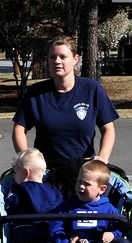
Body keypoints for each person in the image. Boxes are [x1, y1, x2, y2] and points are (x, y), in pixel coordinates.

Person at [12, 35, 120, 193]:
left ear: (75, 59)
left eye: (63, 57)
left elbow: (108, 129)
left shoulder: (92, 89)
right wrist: (28, 159)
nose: (57, 61)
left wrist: (102, 158)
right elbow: (19, 129)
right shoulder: (36, 93)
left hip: (83, 171)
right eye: (52, 57)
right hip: (46, 172)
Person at [4, 149, 63, 243]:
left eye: (15, 173)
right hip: (49, 231)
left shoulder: (19, 190)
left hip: (25, 231)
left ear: (26, 172)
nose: (14, 177)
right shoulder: (53, 190)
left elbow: (10, 206)